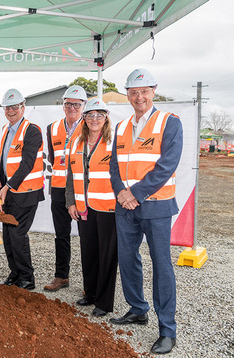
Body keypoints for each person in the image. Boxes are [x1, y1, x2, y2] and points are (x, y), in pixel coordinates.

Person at [109, 68, 183, 355]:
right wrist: (121, 193)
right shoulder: (122, 126)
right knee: (127, 260)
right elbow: (114, 165)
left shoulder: (169, 122)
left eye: (144, 91)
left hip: (156, 205)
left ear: (153, 91)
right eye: (133, 92)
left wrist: (134, 194)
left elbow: (167, 166)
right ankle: (138, 309)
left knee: (161, 264)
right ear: (127, 95)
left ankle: (168, 330)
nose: (139, 96)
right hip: (125, 207)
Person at [65, 99, 118, 317]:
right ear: (84, 119)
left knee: (107, 255)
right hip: (84, 208)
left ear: (106, 118)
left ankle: (104, 302)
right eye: (90, 115)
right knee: (88, 253)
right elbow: (71, 176)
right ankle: (91, 293)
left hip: (108, 208)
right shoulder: (77, 142)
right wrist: (70, 202)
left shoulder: (114, 142)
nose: (94, 119)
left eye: (99, 115)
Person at [0, 89, 44, 290]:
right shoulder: (7, 129)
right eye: (8, 107)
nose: (11, 110)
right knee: (8, 235)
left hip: (26, 193)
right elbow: (6, 160)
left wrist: (8, 185)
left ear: (23, 107)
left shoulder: (32, 130)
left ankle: (27, 278)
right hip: (10, 192)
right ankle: (15, 274)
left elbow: (27, 163)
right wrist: (2, 180)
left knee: (17, 234)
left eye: (15, 107)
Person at [44, 85, 87, 292]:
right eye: (68, 103)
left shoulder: (90, 125)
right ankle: (62, 276)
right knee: (61, 235)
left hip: (83, 190)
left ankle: (91, 282)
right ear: (63, 105)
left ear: (83, 106)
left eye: (76, 104)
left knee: (88, 237)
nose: (72, 108)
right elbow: (52, 158)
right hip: (59, 188)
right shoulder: (52, 128)